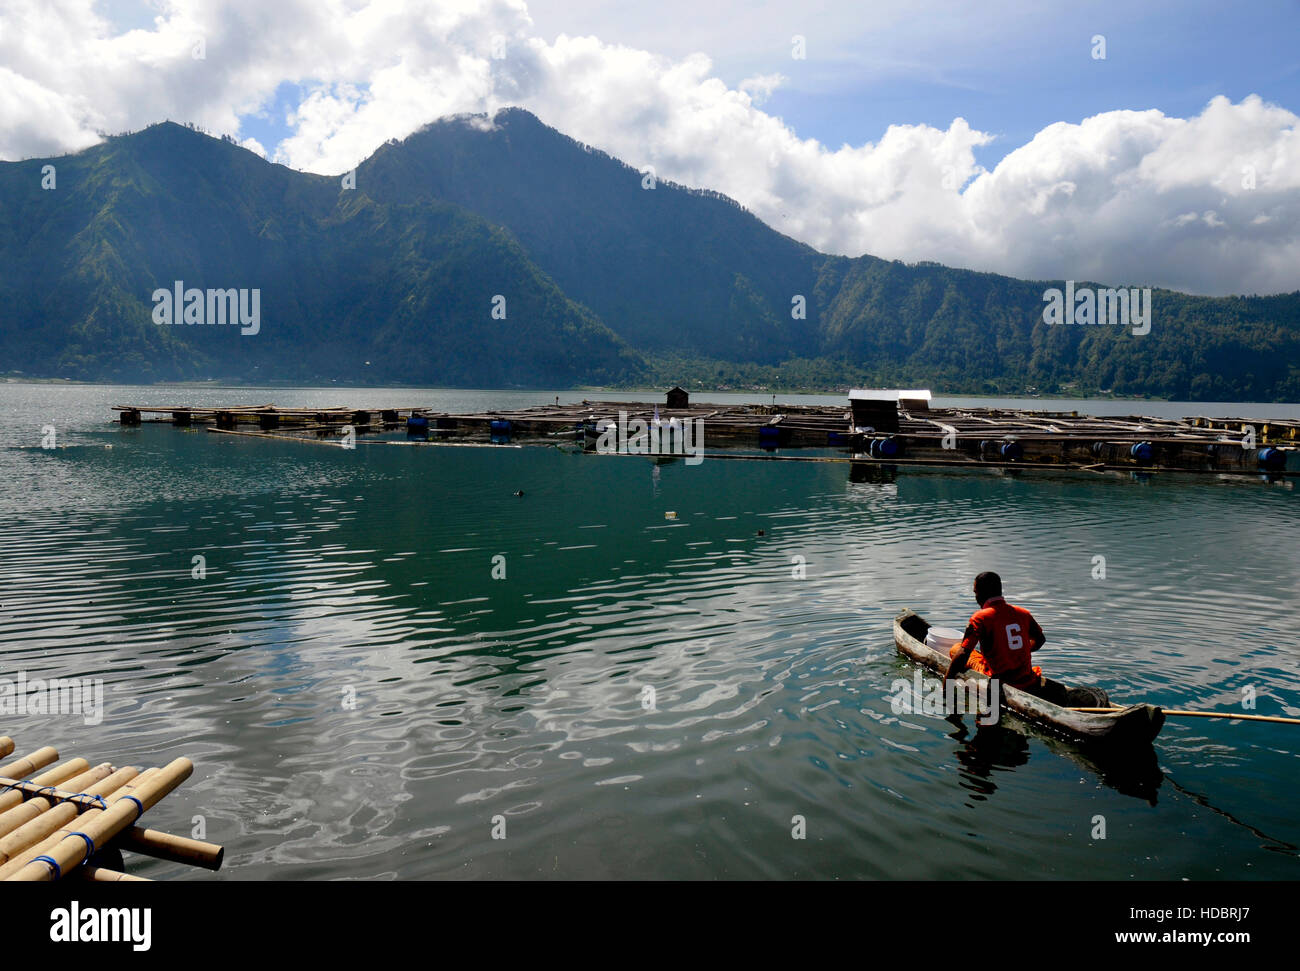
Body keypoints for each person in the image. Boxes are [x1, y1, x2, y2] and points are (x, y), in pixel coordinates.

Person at [943, 572, 1048, 696]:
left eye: (976, 593)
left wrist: (946, 685)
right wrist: (1016, 654)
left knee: (955, 649)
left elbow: (963, 654)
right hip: (1025, 677)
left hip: (998, 677)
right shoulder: (1023, 613)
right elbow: (1040, 639)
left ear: (982, 593)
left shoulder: (980, 618)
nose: (975, 597)